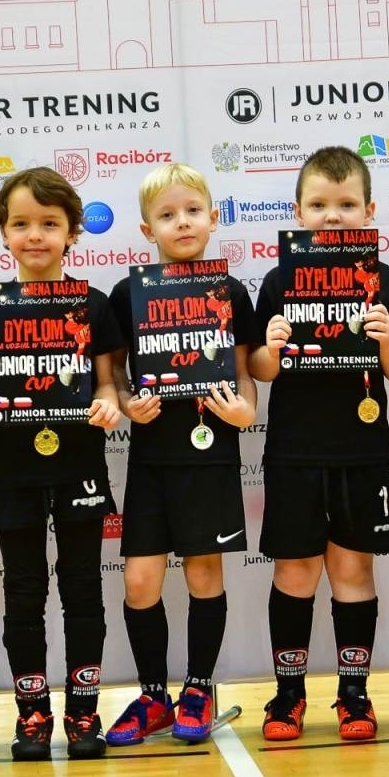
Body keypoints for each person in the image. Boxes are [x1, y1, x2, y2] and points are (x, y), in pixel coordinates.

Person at [248, 146, 389, 741]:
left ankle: (354, 694)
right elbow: (261, 372)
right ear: (298, 212)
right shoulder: (278, 281)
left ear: (370, 209)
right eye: (320, 205)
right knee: (296, 572)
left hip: (362, 452)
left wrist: (384, 341)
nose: (333, 216)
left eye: (347, 204)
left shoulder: (388, 282)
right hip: (294, 452)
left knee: (352, 570)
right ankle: (287, 696)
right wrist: (269, 346)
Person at [0, 167, 123, 761]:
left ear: (72, 233)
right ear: (3, 233)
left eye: (49, 224)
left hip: (79, 463)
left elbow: (109, 384)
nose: (35, 235)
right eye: (21, 223)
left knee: (83, 589)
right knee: (23, 592)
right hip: (13, 470)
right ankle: (32, 714)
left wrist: (108, 404)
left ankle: (84, 712)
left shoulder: (94, 304)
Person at [105, 164, 259, 745]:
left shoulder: (230, 291)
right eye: (167, 215)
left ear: (213, 218)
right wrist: (124, 401)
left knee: (203, 574)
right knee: (141, 582)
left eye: (192, 211)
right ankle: (151, 697)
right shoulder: (129, 293)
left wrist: (246, 410)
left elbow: (245, 375)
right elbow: (114, 373)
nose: (182, 222)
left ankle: (198, 688)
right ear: (149, 230)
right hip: (150, 459)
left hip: (211, 456)